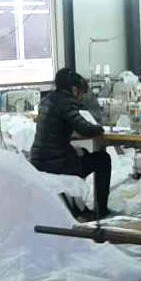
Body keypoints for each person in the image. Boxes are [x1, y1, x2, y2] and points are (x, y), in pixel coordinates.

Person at [31, 68, 112, 220]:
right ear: (75, 90)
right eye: (81, 94)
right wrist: (101, 128)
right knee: (103, 159)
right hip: (56, 164)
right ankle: (101, 211)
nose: (81, 98)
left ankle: (79, 206)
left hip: (39, 161)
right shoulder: (66, 101)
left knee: (84, 153)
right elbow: (84, 128)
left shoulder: (48, 100)